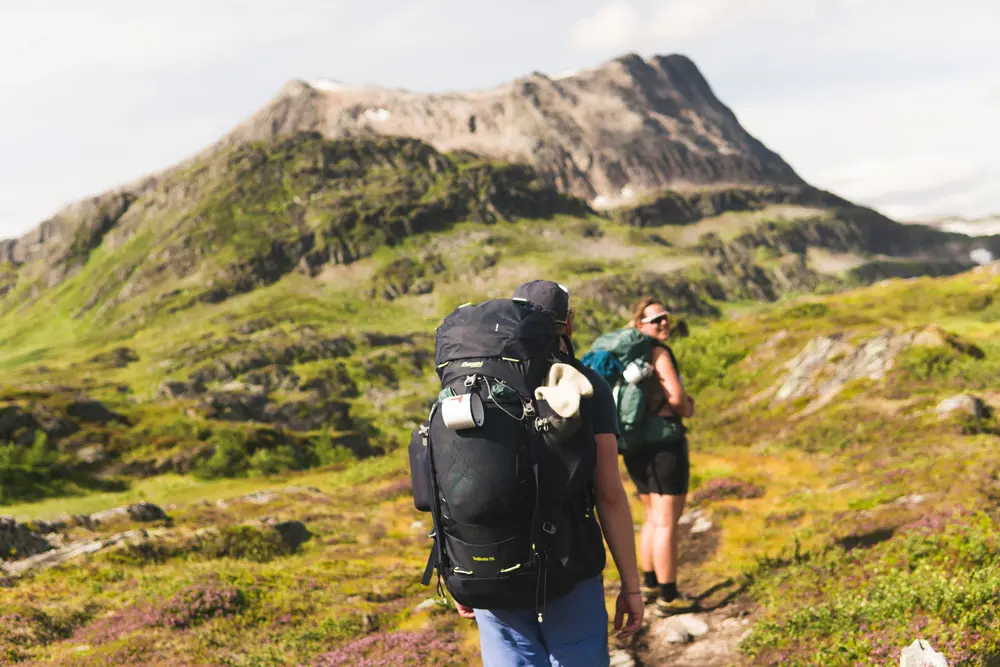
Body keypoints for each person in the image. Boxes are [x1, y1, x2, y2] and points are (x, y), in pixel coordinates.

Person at [454, 280, 644, 667]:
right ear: (568, 323)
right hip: (568, 565)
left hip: (492, 564)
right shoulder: (587, 387)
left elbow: (455, 482)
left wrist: (461, 571)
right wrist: (632, 586)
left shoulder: (472, 385)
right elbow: (609, 494)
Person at [623, 297, 695, 616]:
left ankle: (650, 584)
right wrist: (687, 406)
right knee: (667, 521)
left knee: (652, 517)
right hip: (665, 444)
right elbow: (676, 397)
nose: (663, 323)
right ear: (641, 325)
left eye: (665, 317)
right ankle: (670, 596)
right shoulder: (659, 352)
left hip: (635, 445)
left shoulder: (630, 354)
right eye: (656, 320)